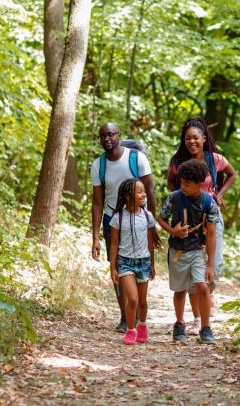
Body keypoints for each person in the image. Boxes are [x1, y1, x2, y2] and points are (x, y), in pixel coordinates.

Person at [167, 117, 236, 333]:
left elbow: (232, 174)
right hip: (187, 218)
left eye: (196, 138)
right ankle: (198, 319)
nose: (191, 142)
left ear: (204, 138)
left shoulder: (215, 159)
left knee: (213, 266)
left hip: (211, 216)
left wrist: (220, 194)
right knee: (192, 269)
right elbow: (171, 180)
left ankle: (208, 293)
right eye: (187, 138)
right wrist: (177, 197)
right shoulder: (178, 160)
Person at [90, 123, 160, 332]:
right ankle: (124, 316)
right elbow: (97, 203)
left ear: (119, 135)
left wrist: (153, 225)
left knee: (141, 262)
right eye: (102, 136)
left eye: (110, 134)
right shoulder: (98, 165)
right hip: (114, 219)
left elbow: (150, 191)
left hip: (140, 218)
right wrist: (95, 238)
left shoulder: (136, 159)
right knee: (118, 267)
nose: (106, 139)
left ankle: (138, 311)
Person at [158, 159, 220, 345]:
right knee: (180, 289)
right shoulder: (175, 197)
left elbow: (211, 235)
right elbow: (161, 218)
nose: (183, 187)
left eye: (187, 184)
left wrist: (210, 264)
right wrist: (173, 231)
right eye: (181, 182)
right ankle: (179, 323)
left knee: (202, 286)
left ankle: (206, 327)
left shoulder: (209, 203)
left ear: (200, 185)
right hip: (178, 251)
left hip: (198, 251)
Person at [109, 178, 155, 345]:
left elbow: (150, 241)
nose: (144, 195)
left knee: (142, 301)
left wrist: (152, 264)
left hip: (143, 262)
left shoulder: (147, 216)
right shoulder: (118, 218)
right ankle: (130, 330)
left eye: (144, 191)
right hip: (125, 262)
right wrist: (112, 267)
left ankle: (142, 325)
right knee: (133, 299)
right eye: (139, 192)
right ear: (128, 196)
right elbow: (114, 244)